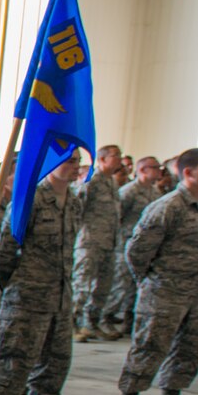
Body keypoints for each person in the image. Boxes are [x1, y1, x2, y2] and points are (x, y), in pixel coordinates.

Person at [114, 147, 198, 395]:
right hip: (165, 291)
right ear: (188, 172)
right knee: (150, 346)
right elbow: (136, 252)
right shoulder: (168, 206)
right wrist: (151, 282)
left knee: (189, 349)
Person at [0, 157, 82, 395]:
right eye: (70, 161)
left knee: (56, 358)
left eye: (78, 161)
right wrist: (8, 288)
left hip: (60, 296)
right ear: (52, 163)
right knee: (14, 358)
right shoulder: (31, 200)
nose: (76, 166)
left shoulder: (73, 203)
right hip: (26, 296)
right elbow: (4, 251)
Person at [103, 155, 165, 337]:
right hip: (126, 244)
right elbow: (117, 217)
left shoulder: (155, 193)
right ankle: (106, 317)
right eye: (154, 167)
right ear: (143, 170)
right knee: (120, 284)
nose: (159, 171)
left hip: (146, 248)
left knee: (134, 287)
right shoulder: (129, 191)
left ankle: (128, 322)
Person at [71, 145, 123, 341]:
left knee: (103, 287)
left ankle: (91, 323)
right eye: (114, 155)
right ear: (101, 160)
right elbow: (77, 210)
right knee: (82, 285)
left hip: (108, 243)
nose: (119, 159)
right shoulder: (91, 180)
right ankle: (73, 324)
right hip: (89, 243)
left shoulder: (112, 182)